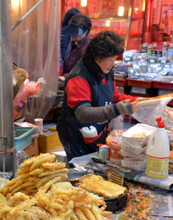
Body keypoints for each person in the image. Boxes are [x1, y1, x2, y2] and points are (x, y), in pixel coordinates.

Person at [58, 31, 139, 161]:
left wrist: (140, 102)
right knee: (82, 172)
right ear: (98, 57)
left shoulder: (104, 71)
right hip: (76, 135)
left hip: (96, 131)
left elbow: (113, 96)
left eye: (115, 59)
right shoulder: (79, 78)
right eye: (110, 59)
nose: (113, 63)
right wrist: (117, 109)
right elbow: (83, 113)